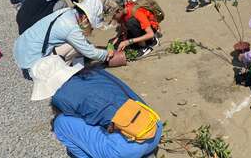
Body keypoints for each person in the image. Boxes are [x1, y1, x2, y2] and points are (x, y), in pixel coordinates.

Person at [29, 56, 162, 158]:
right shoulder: (96, 72)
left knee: (60, 123)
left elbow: (82, 124)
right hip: (154, 127)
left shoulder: (61, 97)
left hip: (129, 148)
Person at [14, 0, 112, 79]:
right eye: (92, 25)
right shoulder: (71, 27)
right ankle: (72, 72)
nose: (92, 29)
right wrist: (107, 54)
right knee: (74, 47)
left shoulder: (68, 12)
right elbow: (90, 52)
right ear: (85, 18)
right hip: (32, 67)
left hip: (22, 51)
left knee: (78, 44)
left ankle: (75, 66)